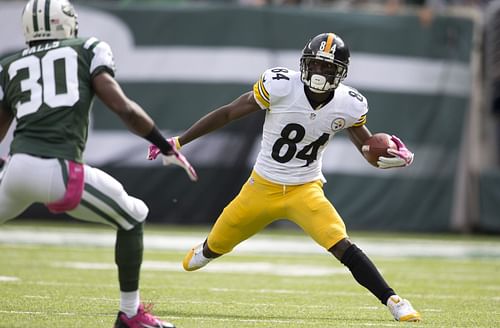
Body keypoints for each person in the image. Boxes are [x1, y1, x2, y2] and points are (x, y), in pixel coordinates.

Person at [149, 32, 421, 322]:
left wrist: (388, 160)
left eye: (328, 68)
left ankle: (393, 300)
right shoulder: (280, 85)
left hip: (305, 189)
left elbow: (367, 150)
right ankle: (206, 248)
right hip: (261, 187)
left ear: (340, 72)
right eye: (316, 64)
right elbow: (229, 113)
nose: (320, 72)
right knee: (211, 250)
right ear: (305, 64)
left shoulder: (349, 104)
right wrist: (178, 142)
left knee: (341, 243)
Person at [0, 1, 197, 327]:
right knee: (133, 217)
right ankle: (131, 314)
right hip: (59, 169)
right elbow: (124, 108)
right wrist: (164, 146)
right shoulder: (86, 48)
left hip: (18, 170)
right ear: (66, 24)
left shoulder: (10, 65)